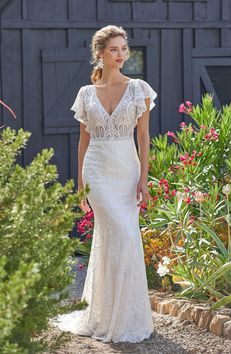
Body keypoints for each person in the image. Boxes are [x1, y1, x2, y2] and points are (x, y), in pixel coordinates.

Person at [51, 25, 157, 343]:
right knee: (117, 237)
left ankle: (125, 315)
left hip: (126, 172)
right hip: (97, 172)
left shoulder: (139, 88)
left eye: (124, 48)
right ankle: (107, 315)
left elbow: (143, 137)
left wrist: (144, 180)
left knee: (124, 238)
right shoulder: (85, 94)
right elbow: (83, 143)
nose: (121, 54)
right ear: (100, 53)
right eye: (114, 49)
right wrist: (82, 182)